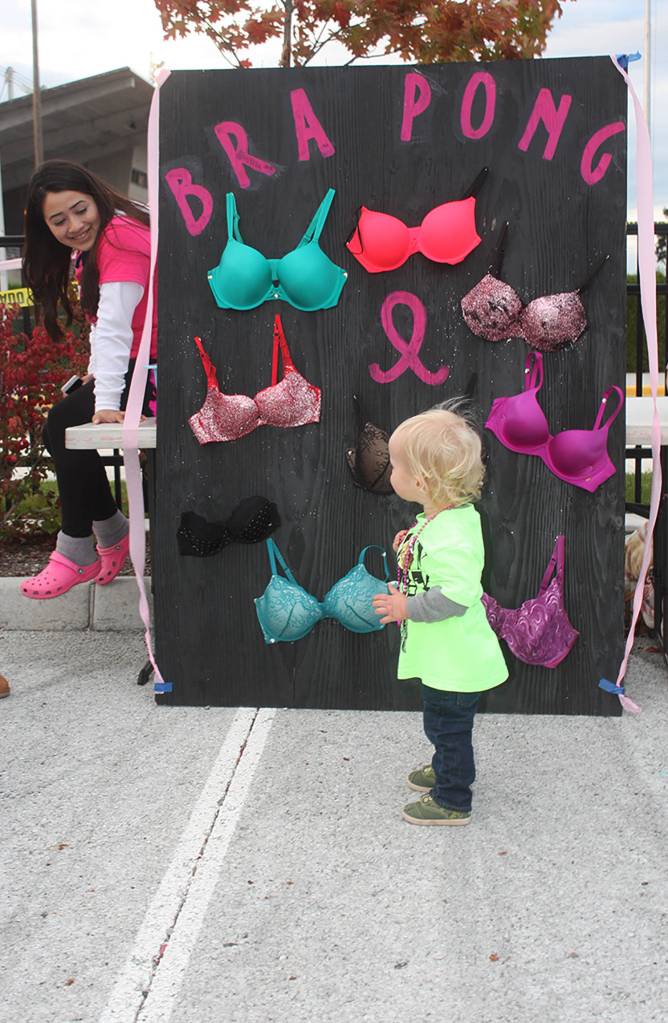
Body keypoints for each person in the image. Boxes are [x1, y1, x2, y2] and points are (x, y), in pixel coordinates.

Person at [20, 160, 157, 599]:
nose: (75, 225)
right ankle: (107, 531)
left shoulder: (118, 238)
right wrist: (97, 378)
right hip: (144, 365)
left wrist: (105, 401)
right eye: (58, 221)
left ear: (95, 195)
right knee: (60, 422)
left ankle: (81, 546)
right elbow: (106, 326)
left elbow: (118, 329)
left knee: (63, 423)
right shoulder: (108, 234)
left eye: (80, 210)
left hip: (158, 373)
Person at [372, 404, 508, 826]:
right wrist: (410, 545)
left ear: (421, 481)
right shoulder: (441, 519)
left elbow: (456, 595)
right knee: (440, 720)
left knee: (449, 724)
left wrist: (405, 607)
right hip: (443, 657)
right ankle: (447, 763)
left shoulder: (452, 535)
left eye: (395, 465)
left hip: (456, 661)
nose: (388, 471)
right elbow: (434, 559)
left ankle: (452, 797)